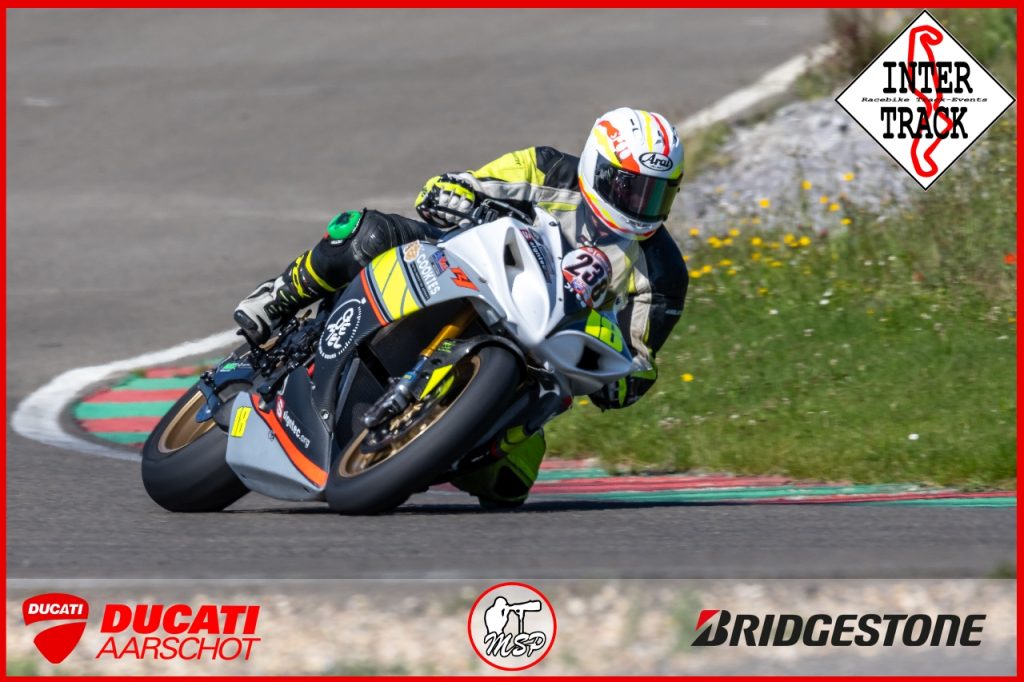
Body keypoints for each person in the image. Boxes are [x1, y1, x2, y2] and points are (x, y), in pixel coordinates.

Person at [234, 107, 690, 508]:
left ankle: (421, 441)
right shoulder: (547, 170)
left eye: (656, 195)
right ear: (597, 169)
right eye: (631, 190)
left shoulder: (664, 274)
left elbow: (638, 359)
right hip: (468, 270)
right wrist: (454, 195)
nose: (641, 207)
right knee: (366, 233)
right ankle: (278, 297)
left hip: (540, 361)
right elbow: (461, 185)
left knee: (510, 485)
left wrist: (620, 381)